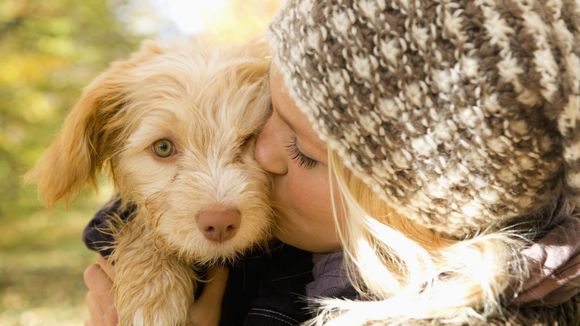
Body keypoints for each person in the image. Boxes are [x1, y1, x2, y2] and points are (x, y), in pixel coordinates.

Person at [83, 1, 580, 325]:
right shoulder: (308, 242)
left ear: (411, 209)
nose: (261, 154)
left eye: (304, 152)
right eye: (268, 115)